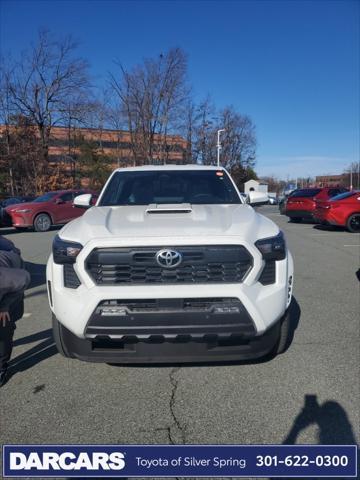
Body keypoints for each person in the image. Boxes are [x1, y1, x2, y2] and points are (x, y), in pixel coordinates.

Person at [0, 235, 30, 386]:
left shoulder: (5, 277)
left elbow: (24, 279)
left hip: (15, 277)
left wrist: (5, 305)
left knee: (4, 327)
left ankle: (2, 367)